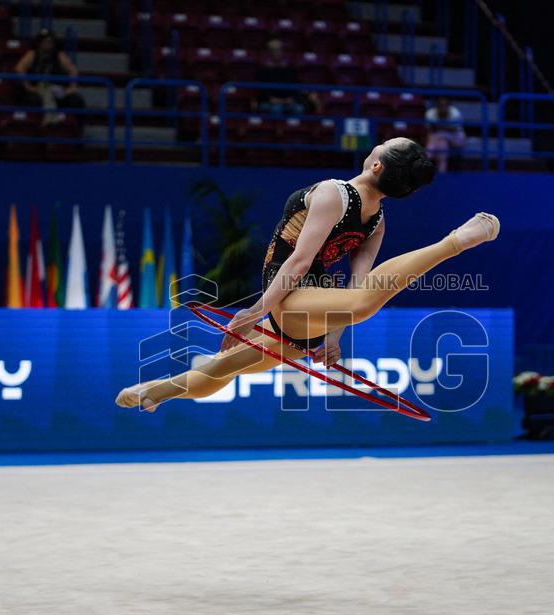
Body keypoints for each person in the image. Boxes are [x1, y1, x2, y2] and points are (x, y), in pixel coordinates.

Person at [115, 138, 500, 412]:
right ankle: (453, 243)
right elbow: (303, 266)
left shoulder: (373, 217)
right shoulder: (335, 196)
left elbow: (346, 279)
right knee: (364, 304)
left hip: (307, 301)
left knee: (224, 368)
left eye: (383, 143)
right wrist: (258, 311)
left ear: (376, 164)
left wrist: (332, 335)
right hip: (291, 296)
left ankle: (156, 390)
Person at [14, 28, 85, 117]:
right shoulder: (32, 54)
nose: (48, 44)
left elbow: (73, 70)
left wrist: (71, 88)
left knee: (76, 101)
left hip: (56, 91)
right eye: (45, 41)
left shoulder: (59, 55)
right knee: (32, 100)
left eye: (50, 42)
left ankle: (74, 128)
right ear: (39, 43)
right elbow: (19, 69)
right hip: (38, 91)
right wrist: (28, 87)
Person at [255, 39, 316, 115]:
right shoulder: (263, 70)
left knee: (299, 109)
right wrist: (271, 99)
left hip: (288, 100)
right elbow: (261, 90)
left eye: (279, 50)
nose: (277, 52)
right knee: (276, 109)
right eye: (274, 50)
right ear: (269, 52)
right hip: (269, 101)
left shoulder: (289, 69)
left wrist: (291, 98)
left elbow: (295, 85)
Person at [425, 96, 466, 173]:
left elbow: (454, 129)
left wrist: (439, 127)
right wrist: (444, 127)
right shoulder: (430, 113)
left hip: (456, 138)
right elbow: (429, 129)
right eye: (441, 105)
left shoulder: (455, 113)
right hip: (438, 139)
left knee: (439, 135)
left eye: (445, 105)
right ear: (437, 106)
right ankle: (442, 172)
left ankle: (429, 154)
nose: (443, 107)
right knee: (442, 142)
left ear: (448, 105)